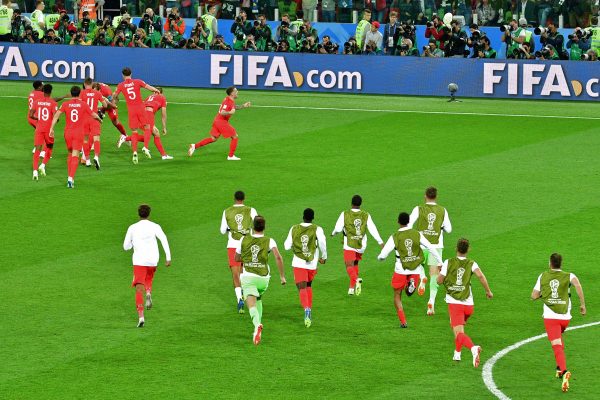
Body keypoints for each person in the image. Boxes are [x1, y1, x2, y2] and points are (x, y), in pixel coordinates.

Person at [531, 253, 586, 393]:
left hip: (551, 318)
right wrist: (582, 305)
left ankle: (564, 371)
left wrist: (544, 294)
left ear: (550, 263)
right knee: (558, 340)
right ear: (561, 263)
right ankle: (558, 368)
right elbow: (578, 285)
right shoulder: (569, 275)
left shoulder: (542, 276)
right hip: (565, 318)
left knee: (557, 346)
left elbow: (534, 296)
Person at [378, 212, 441, 328]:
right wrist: (439, 261)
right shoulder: (417, 234)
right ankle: (411, 283)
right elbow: (430, 247)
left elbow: (383, 255)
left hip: (401, 268)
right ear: (408, 222)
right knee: (409, 292)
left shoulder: (395, 236)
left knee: (397, 295)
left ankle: (403, 321)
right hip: (415, 268)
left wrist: (380, 258)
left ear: (398, 222)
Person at [437, 238, 493, 366]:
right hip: (469, 306)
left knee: (459, 333)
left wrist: (441, 272)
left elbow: (439, 281)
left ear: (456, 248)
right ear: (468, 250)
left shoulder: (448, 262)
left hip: (455, 304)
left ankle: (473, 348)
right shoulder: (472, 263)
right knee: (458, 329)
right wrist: (488, 291)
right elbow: (480, 276)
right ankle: (457, 353)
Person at [234, 216, 286, 345]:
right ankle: (257, 328)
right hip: (263, 279)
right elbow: (278, 257)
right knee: (258, 299)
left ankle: (257, 325)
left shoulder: (243, 239)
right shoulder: (270, 241)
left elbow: (236, 258)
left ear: (253, 226)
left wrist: (249, 259)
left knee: (251, 304)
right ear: (264, 227)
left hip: (249, 277)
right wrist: (282, 276)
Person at [123, 204, 172, 328]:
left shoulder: (132, 228)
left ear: (138, 214)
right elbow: (164, 239)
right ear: (149, 214)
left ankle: (141, 316)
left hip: (139, 260)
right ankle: (149, 292)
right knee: (149, 278)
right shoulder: (155, 226)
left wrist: (132, 244)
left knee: (139, 289)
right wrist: (168, 257)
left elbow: (125, 246)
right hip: (153, 260)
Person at [408, 186, 452, 315]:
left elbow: (409, 225)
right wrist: (441, 227)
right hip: (436, 246)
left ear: (425, 196)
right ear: (436, 197)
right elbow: (449, 229)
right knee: (434, 274)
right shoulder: (443, 210)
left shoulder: (418, 209)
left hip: (421, 244)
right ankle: (431, 301)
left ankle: (422, 277)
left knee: (417, 265)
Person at [48, 86, 101, 188]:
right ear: (79, 93)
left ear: (71, 93)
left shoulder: (65, 104)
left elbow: (56, 115)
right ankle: (70, 178)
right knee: (75, 155)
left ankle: (69, 176)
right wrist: (99, 119)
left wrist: (51, 128)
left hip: (67, 133)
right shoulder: (83, 104)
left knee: (70, 153)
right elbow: (93, 114)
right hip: (78, 133)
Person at [332, 195, 384, 296]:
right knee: (355, 263)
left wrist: (333, 233)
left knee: (348, 265)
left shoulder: (345, 214)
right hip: (361, 244)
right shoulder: (366, 215)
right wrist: (380, 242)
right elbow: (373, 229)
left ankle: (356, 280)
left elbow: (338, 229)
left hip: (349, 244)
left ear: (351, 203)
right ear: (360, 204)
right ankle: (351, 288)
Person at [284, 208, 327, 328]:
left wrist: (295, 244)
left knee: (301, 287)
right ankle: (309, 308)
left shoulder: (294, 228)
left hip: (298, 262)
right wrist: (324, 257)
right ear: (313, 218)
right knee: (308, 285)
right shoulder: (317, 229)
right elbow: (322, 243)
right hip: (312, 263)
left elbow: (286, 246)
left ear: (303, 217)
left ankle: (307, 309)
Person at [188, 86, 250, 161]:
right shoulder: (228, 101)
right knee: (235, 136)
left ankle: (194, 146)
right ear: (232, 93)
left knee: (213, 139)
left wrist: (243, 106)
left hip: (217, 120)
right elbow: (222, 112)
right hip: (221, 121)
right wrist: (230, 112)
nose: (237, 92)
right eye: (236, 91)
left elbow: (233, 107)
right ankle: (231, 156)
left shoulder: (229, 100)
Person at [220, 191, 258, 313]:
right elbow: (258, 224)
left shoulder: (227, 211)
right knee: (244, 271)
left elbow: (222, 230)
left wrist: (229, 229)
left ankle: (239, 299)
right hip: (247, 244)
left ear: (234, 198)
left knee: (235, 273)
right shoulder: (251, 210)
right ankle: (248, 295)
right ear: (244, 198)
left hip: (233, 245)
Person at [113, 67, 160, 164]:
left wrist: (114, 98)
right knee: (147, 127)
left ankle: (134, 152)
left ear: (122, 75)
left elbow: (114, 95)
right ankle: (145, 147)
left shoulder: (121, 85)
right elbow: (148, 87)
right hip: (140, 108)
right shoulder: (137, 81)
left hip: (131, 110)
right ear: (131, 74)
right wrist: (156, 90)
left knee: (134, 132)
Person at [29, 84, 57, 180]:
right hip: (48, 129)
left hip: (39, 128)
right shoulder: (53, 103)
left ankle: (35, 171)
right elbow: (56, 117)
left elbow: (31, 115)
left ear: (43, 91)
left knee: (37, 149)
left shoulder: (37, 102)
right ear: (51, 91)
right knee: (49, 147)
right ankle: (43, 165)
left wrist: (37, 118)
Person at [80, 77, 108, 169]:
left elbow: (79, 105)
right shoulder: (97, 93)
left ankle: (87, 160)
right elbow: (105, 105)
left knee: (85, 139)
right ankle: (96, 156)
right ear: (92, 84)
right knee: (96, 138)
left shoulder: (82, 93)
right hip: (94, 118)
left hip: (84, 119)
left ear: (84, 84)